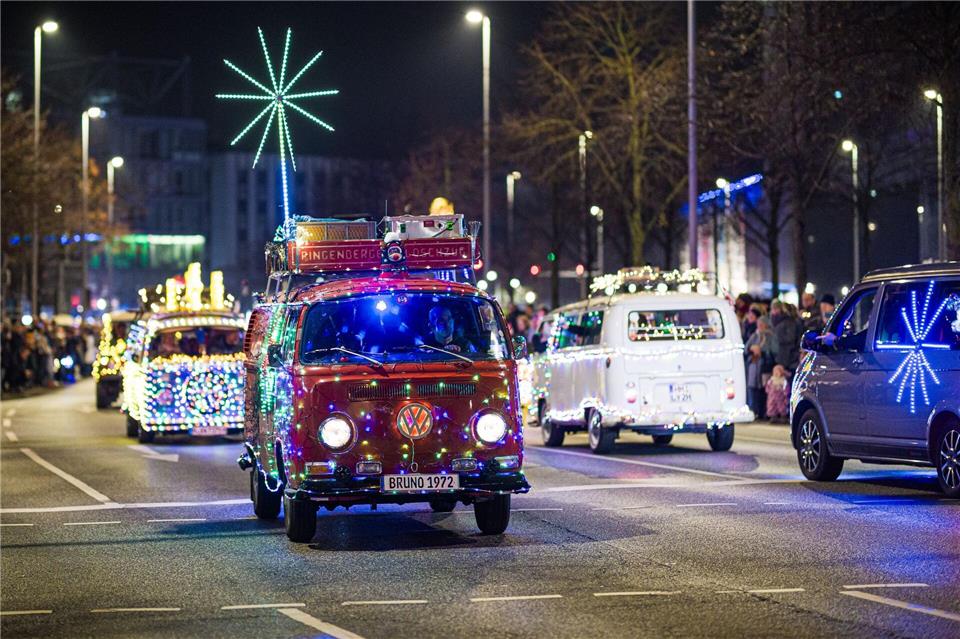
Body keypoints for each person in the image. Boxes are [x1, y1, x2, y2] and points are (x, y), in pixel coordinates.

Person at [745, 315, 777, 419]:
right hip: (754, 366)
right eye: (758, 324)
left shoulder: (770, 336)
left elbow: (775, 351)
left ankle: (764, 413)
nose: (760, 326)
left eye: (762, 324)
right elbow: (746, 348)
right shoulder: (754, 336)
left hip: (765, 367)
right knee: (753, 389)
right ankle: (754, 411)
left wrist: (762, 352)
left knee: (764, 390)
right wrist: (752, 349)